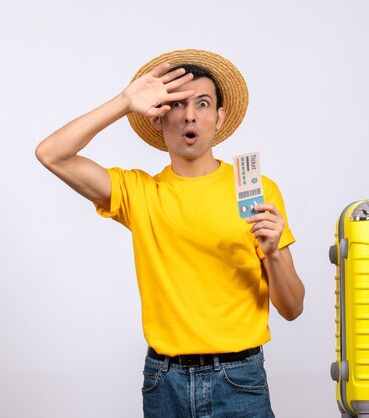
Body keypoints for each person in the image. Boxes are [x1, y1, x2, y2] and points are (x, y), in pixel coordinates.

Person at [36, 49, 304, 418]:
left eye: (203, 104)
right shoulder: (140, 193)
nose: (190, 114)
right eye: (176, 104)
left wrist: (273, 253)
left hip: (239, 380)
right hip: (164, 383)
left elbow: (292, 308)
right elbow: (52, 153)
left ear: (219, 117)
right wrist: (125, 101)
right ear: (160, 117)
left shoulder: (257, 191)